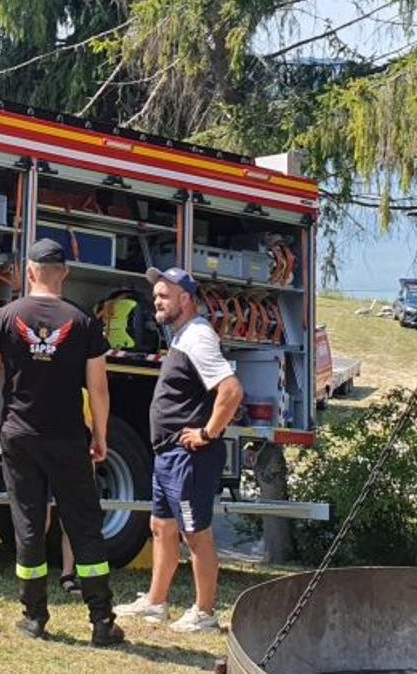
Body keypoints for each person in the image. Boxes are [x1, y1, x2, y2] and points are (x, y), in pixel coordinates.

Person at [0, 239, 124, 646]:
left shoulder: (5, 318)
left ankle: (34, 616)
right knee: (84, 525)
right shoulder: (84, 322)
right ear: (65, 273)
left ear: (30, 271)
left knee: (28, 524)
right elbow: (99, 388)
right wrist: (100, 435)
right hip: (68, 438)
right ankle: (101, 621)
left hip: (19, 436)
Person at [114, 266, 244, 631]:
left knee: (195, 533)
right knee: (161, 526)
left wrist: (207, 433)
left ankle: (204, 613)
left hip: (189, 457)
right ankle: (155, 603)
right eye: (155, 295)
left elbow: (231, 390)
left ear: (185, 298)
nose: (156, 301)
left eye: (164, 295)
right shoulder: (183, 336)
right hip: (168, 454)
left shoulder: (198, 337)